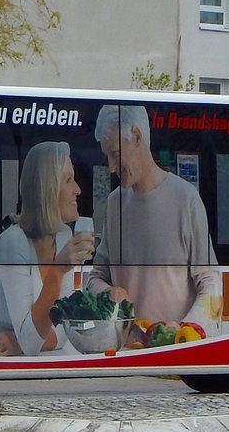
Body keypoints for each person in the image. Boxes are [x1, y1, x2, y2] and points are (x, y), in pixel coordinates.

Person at [87, 104, 220, 329]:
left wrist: (187, 329)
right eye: (107, 156)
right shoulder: (114, 202)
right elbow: (95, 277)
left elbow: (210, 281)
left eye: (115, 153)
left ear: (136, 136)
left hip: (176, 349)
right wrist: (108, 292)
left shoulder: (185, 198)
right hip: (127, 351)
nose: (110, 166)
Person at [0, 141, 95, 357]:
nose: (77, 189)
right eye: (68, 180)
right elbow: (31, 341)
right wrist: (58, 270)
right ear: (47, 189)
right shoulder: (12, 241)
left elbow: (63, 329)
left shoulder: (63, 235)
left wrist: (21, 343)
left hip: (29, 362)